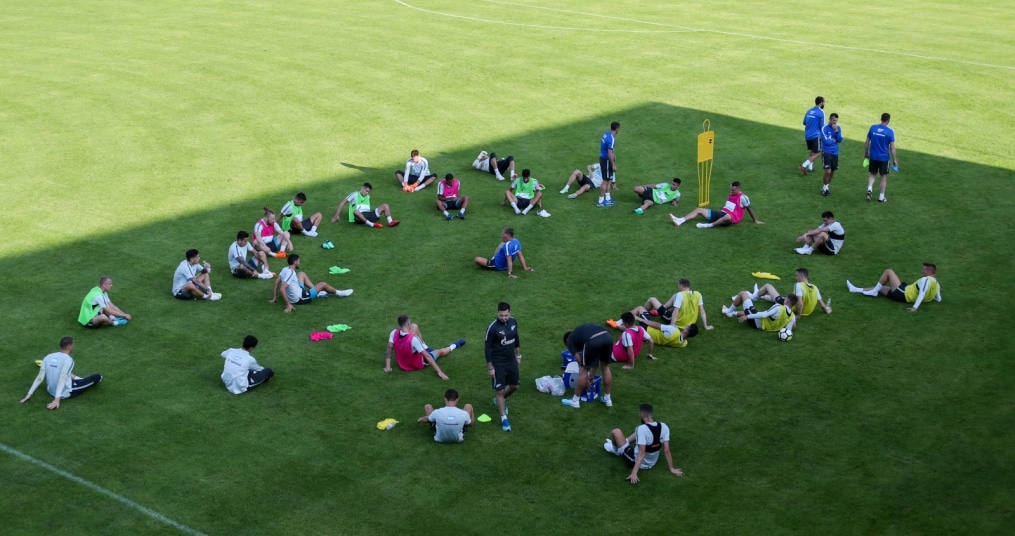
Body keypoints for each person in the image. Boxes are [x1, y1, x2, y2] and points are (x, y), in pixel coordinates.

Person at [603, 403, 683, 484]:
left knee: (616, 432)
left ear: (641, 414)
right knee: (639, 433)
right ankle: (623, 442)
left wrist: (634, 473)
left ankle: (616, 450)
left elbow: (642, 453)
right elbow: (667, 450)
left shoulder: (641, 429)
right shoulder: (664, 426)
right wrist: (672, 468)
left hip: (635, 461)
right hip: (652, 462)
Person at [20, 337, 102, 410]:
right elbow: (62, 379)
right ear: (70, 347)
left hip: (50, 390)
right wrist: (57, 399)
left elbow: (40, 377)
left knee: (64, 371)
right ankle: (86, 380)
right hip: (66, 392)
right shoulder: (68, 360)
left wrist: (29, 394)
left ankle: (79, 379)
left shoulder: (48, 357)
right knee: (97, 377)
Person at [384, 314, 464, 380]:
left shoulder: (393, 332)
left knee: (414, 326)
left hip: (403, 363)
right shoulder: (413, 339)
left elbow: (389, 349)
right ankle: (454, 345)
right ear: (408, 323)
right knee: (439, 351)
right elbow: (427, 356)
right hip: (416, 364)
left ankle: (424, 347)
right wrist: (439, 372)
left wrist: (388, 367)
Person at [746, 268, 832, 327]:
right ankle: (762, 296)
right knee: (777, 297)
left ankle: (754, 296)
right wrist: (827, 310)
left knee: (768, 286)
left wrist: (798, 316)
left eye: (797, 275)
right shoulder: (815, 287)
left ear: (802, 276)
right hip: (806, 311)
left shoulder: (799, 285)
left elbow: (800, 303)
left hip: (791, 308)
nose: (796, 277)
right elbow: (822, 305)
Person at [485, 302, 522, 431]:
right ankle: (504, 418)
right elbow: (487, 349)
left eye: (506, 315)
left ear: (510, 313)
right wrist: (490, 367)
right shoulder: (493, 328)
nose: (504, 318)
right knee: (500, 390)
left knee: (515, 386)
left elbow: (516, 338)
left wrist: (518, 356)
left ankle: (500, 399)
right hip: (498, 363)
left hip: (511, 360)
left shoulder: (513, 322)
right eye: (501, 315)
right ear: (497, 313)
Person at [623, 279, 713, 331]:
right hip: (690, 322)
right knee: (675, 296)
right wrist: (706, 326)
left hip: (677, 321)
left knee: (652, 299)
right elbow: (702, 311)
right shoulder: (698, 294)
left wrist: (672, 327)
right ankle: (659, 310)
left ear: (681, 286)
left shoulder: (680, 295)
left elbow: (675, 313)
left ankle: (645, 311)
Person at [272, 254, 352, 313]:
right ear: (295, 262)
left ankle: (317, 292)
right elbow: (282, 288)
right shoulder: (291, 273)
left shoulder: (285, 269)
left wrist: (275, 297)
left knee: (301, 274)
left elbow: (276, 282)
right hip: (300, 298)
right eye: (299, 261)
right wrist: (288, 304)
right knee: (323, 284)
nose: (299, 263)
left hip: (298, 289)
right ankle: (340, 293)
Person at [561, 324, 615, 409]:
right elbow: (596, 358)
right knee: (605, 367)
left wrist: (585, 377)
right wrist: (591, 376)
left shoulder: (570, 341)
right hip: (608, 337)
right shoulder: (581, 333)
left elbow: (580, 361)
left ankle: (575, 401)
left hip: (594, 340)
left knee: (583, 369)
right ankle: (607, 399)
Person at [847, 263, 941, 312]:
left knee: (888, 272)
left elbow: (922, 293)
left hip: (903, 294)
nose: (922, 271)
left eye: (924, 269)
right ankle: (855, 289)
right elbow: (938, 299)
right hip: (904, 295)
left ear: (929, 271)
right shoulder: (937, 284)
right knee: (881, 288)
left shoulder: (926, 280)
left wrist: (914, 307)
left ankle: (874, 292)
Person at [669, 181, 763, 228]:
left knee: (728, 216)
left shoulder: (743, 197)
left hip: (731, 219)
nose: (731, 191)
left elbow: (749, 209)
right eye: (730, 189)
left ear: (739, 189)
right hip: (721, 214)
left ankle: (708, 226)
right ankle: (680, 220)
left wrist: (755, 220)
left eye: (733, 190)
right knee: (699, 209)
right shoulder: (731, 194)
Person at [721, 291, 798, 332]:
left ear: (787, 301)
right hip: (766, 327)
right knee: (749, 311)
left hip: (756, 322)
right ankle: (732, 314)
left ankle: (728, 311)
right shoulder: (792, 316)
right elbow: (788, 330)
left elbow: (764, 315)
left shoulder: (779, 307)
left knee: (743, 294)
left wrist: (747, 316)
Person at [331, 182, 400, 228]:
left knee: (385, 205)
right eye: (366, 191)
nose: (367, 193)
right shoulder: (354, 194)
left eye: (368, 192)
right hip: (358, 218)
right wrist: (336, 215)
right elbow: (343, 203)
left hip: (369, 215)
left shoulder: (368, 196)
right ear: (362, 188)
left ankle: (390, 222)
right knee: (356, 211)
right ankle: (372, 224)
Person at [624, 307, 700, 348]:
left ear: (686, 332)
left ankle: (621, 320)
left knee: (640, 308)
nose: (686, 325)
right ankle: (616, 325)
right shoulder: (683, 344)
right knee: (632, 330)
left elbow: (655, 324)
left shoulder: (674, 330)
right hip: (646, 338)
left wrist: (639, 319)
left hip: (647, 329)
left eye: (687, 326)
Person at [864, 112, 899, 202]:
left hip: (873, 156)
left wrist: (866, 153)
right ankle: (881, 197)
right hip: (884, 158)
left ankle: (869, 189)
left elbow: (867, 142)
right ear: (888, 120)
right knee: (883, 176)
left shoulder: (873, 128)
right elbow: (892, 147)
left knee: (872, 173)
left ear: (881, 119)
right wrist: (895, 160)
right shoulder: (890, 132)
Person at [799, 96, 825, 175]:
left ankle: (811, 167)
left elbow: (804, 122)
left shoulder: (809, 111)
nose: (824, 103)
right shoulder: (821, 112)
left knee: (813, 150)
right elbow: (822, 127)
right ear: (821, 103)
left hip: (807, 135)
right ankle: (803, 165)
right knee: (817, 153)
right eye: (824, 102)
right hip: (815, 135)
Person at [597, 121, 620, 207]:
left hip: (604, 159)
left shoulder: (606, 134)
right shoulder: (611, 139)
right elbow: (609, 153)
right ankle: (600, 201)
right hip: (606, 160)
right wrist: (613, 164)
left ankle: (608, 198)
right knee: (605, 181)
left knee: (609, 179)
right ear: (617, 129)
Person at [820, 113, 842, 196]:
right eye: (833, 120)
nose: (834, 122)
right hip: (826, 152)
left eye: (836, 121)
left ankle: (826, 187)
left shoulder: (838, 128)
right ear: (829, 119)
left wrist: (836, 131)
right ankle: (825, 188)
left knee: (832, 171)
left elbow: (840, 139)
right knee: (828, 171)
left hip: (835, 153)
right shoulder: (824, 128)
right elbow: (826, 141)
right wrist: (834, 140)